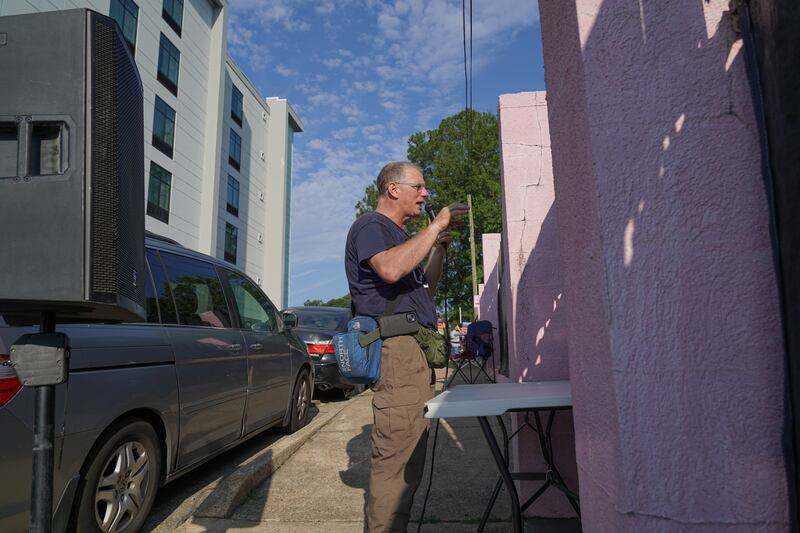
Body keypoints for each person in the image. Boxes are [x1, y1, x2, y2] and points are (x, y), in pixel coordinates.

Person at [344, 161, 468, 532]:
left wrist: (438, 249)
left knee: (409, 459)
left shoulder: (401, 236)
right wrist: (436, 225)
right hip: (396, 353)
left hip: (412, 352)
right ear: (393, 189)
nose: (425, 193)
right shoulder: (370, 225)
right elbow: (390, 271)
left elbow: (422, 293)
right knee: (396, 463)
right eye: (420, 186)